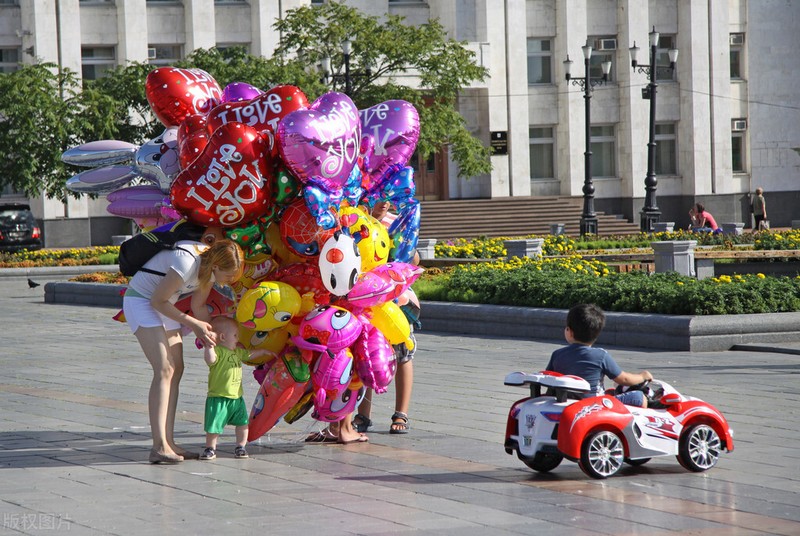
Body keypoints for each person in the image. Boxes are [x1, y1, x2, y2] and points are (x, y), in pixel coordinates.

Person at [122, 238, 244, 464]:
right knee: (164, 369)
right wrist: (195, 325)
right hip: (141, 301)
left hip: (164, 306)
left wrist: (216, 337)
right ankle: (159, 446)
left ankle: (169, 442)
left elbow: (198, 307)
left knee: (177, 368)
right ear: (217, 266)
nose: (228, 283)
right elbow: (157, 301)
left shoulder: (208, 271)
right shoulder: (187, 262)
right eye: (228, 276)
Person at [353, 200, 420, 434]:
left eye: (388, 198)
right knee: (365, 353)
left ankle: (401, 413)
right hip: (364, 299)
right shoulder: (355, 224)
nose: (383, 203)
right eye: (377, 197)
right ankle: (363, 414)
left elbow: (415, 259)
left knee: (403, 352)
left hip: (395, 300)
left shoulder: (397, 223)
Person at [546, 303, 653, 407]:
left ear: (569, 332)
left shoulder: (557, 354)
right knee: (639, 397)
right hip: (594, 405)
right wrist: (642, 376)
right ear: (597, 334)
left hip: (566, 402)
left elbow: (548, 379)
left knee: (610, 393)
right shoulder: (601, 355)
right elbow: (624, 379)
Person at [199, 316, 270, 460]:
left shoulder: (236, 352)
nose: (238, 339)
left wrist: (262, 352)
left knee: (243, 423)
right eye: (236, 335)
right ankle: (210, 448)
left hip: (237, 397)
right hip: (218, 396)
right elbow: (210, 360)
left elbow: (249, 354)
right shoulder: (218, 351)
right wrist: (209, 347)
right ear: (223, 337)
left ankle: (241, 446)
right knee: (214, 426)